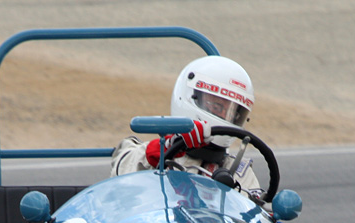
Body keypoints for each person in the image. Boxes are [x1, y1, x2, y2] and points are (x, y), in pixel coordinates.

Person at [110, 55, 262, 194]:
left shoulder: (238, 171)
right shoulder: (157, 153)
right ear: (190, 97)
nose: (223, 116)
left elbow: (253, 216)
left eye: (232, 113)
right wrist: (169, 147)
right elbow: (120, 170)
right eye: (216, 107)